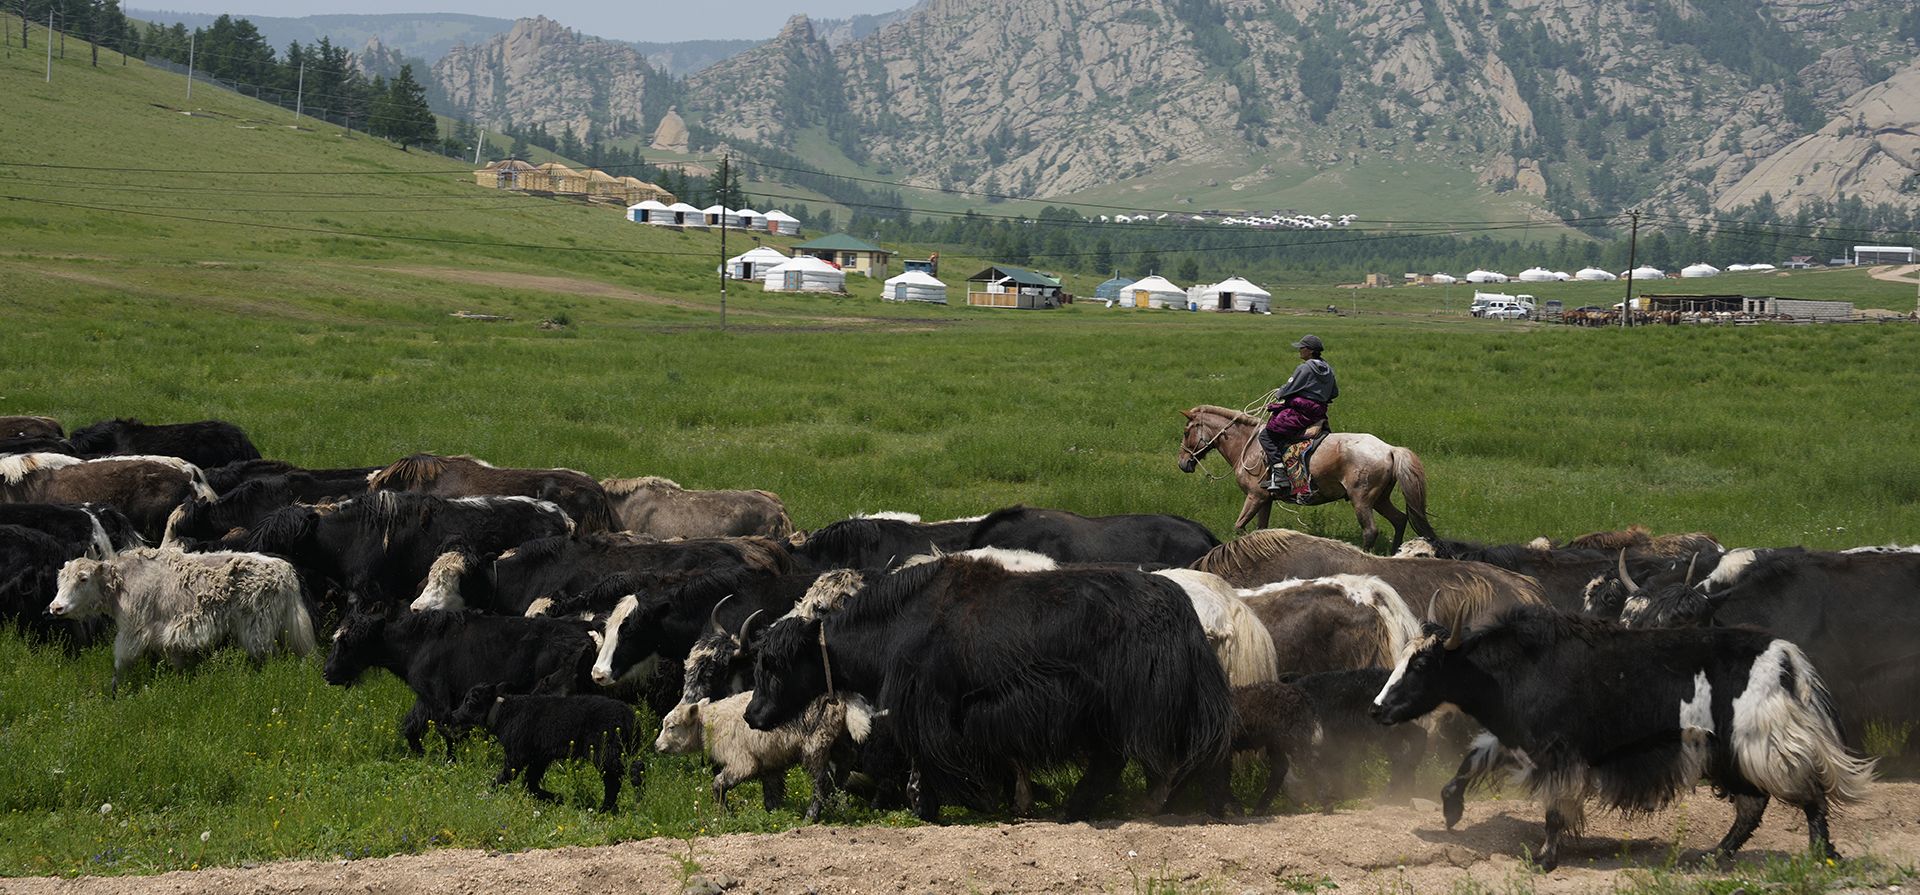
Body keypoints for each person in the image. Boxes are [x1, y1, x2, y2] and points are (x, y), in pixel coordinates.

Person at [1260, 335, 1337, 491]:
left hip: (1301, 411)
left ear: (1309, 351)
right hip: (1319, 412)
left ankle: (1280, 472)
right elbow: (1334, 393)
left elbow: (1290, 388)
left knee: (1266, 435)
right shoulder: (1329, 369)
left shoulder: (1304, 368)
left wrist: (1279, 393)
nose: (1299, 351)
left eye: (1301, 348)